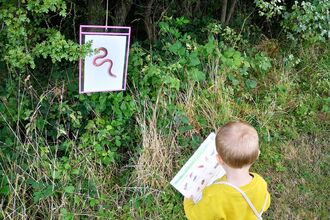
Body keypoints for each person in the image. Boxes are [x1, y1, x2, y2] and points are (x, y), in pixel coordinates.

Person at [184, 121, 271, 220]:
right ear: (257, 155)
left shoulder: (215, 195)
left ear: (219, 159)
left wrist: (188, 202)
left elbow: (197, 217)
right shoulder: (260, 183)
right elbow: (266, 203)